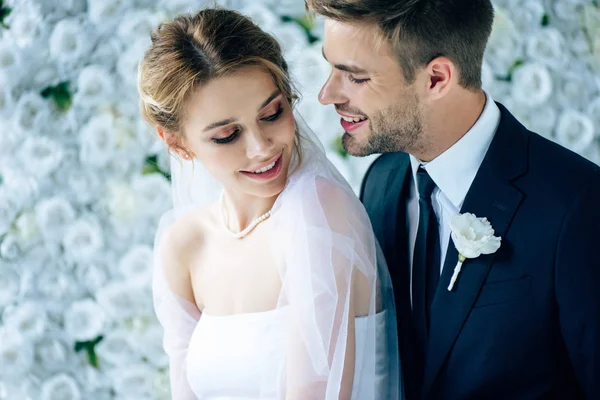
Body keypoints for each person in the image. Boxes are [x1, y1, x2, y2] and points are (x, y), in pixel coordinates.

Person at [305, 0, 600, 399]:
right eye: (331, 67)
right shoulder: (381, 181)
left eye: (354, 77)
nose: (327, 94)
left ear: (437, 79)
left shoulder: (578, 204)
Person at [138, 8, 401, 400]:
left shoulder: (318, 213)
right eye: (228, 135)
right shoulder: (185, 245)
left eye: (272, 113)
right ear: (176, 143)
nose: (261, 148)